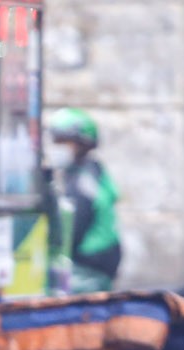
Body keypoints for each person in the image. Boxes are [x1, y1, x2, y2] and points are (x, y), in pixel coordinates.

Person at [48, 108, 121, 294]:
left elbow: (73, 230)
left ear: (82, 145)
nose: (57, 147)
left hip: (89, 269)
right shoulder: (89, 172)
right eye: (56, 141)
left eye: (63, 141)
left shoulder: (83, 182)